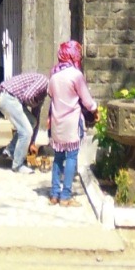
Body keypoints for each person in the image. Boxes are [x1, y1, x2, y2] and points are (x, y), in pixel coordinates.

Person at [46, 39, 96, 207]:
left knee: (58, 158)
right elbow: (87, 101)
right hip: (72, 123)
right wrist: (95, 109)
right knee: (72, 157)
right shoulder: (76, 75)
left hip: (56, 122)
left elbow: (51, 95)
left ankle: (54, 194)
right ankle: (66, 195)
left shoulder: (54, 75)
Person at [0, 69, 48, 173]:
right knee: (26, 131)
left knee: (32, 122)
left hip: (8, 97)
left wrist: (32, 142)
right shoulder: (43, 81)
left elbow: (35, 117)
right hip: (6, 96)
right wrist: (34, 103)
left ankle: (10, 150)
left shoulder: (43, 94)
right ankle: (18, 165)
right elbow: (27, 96)